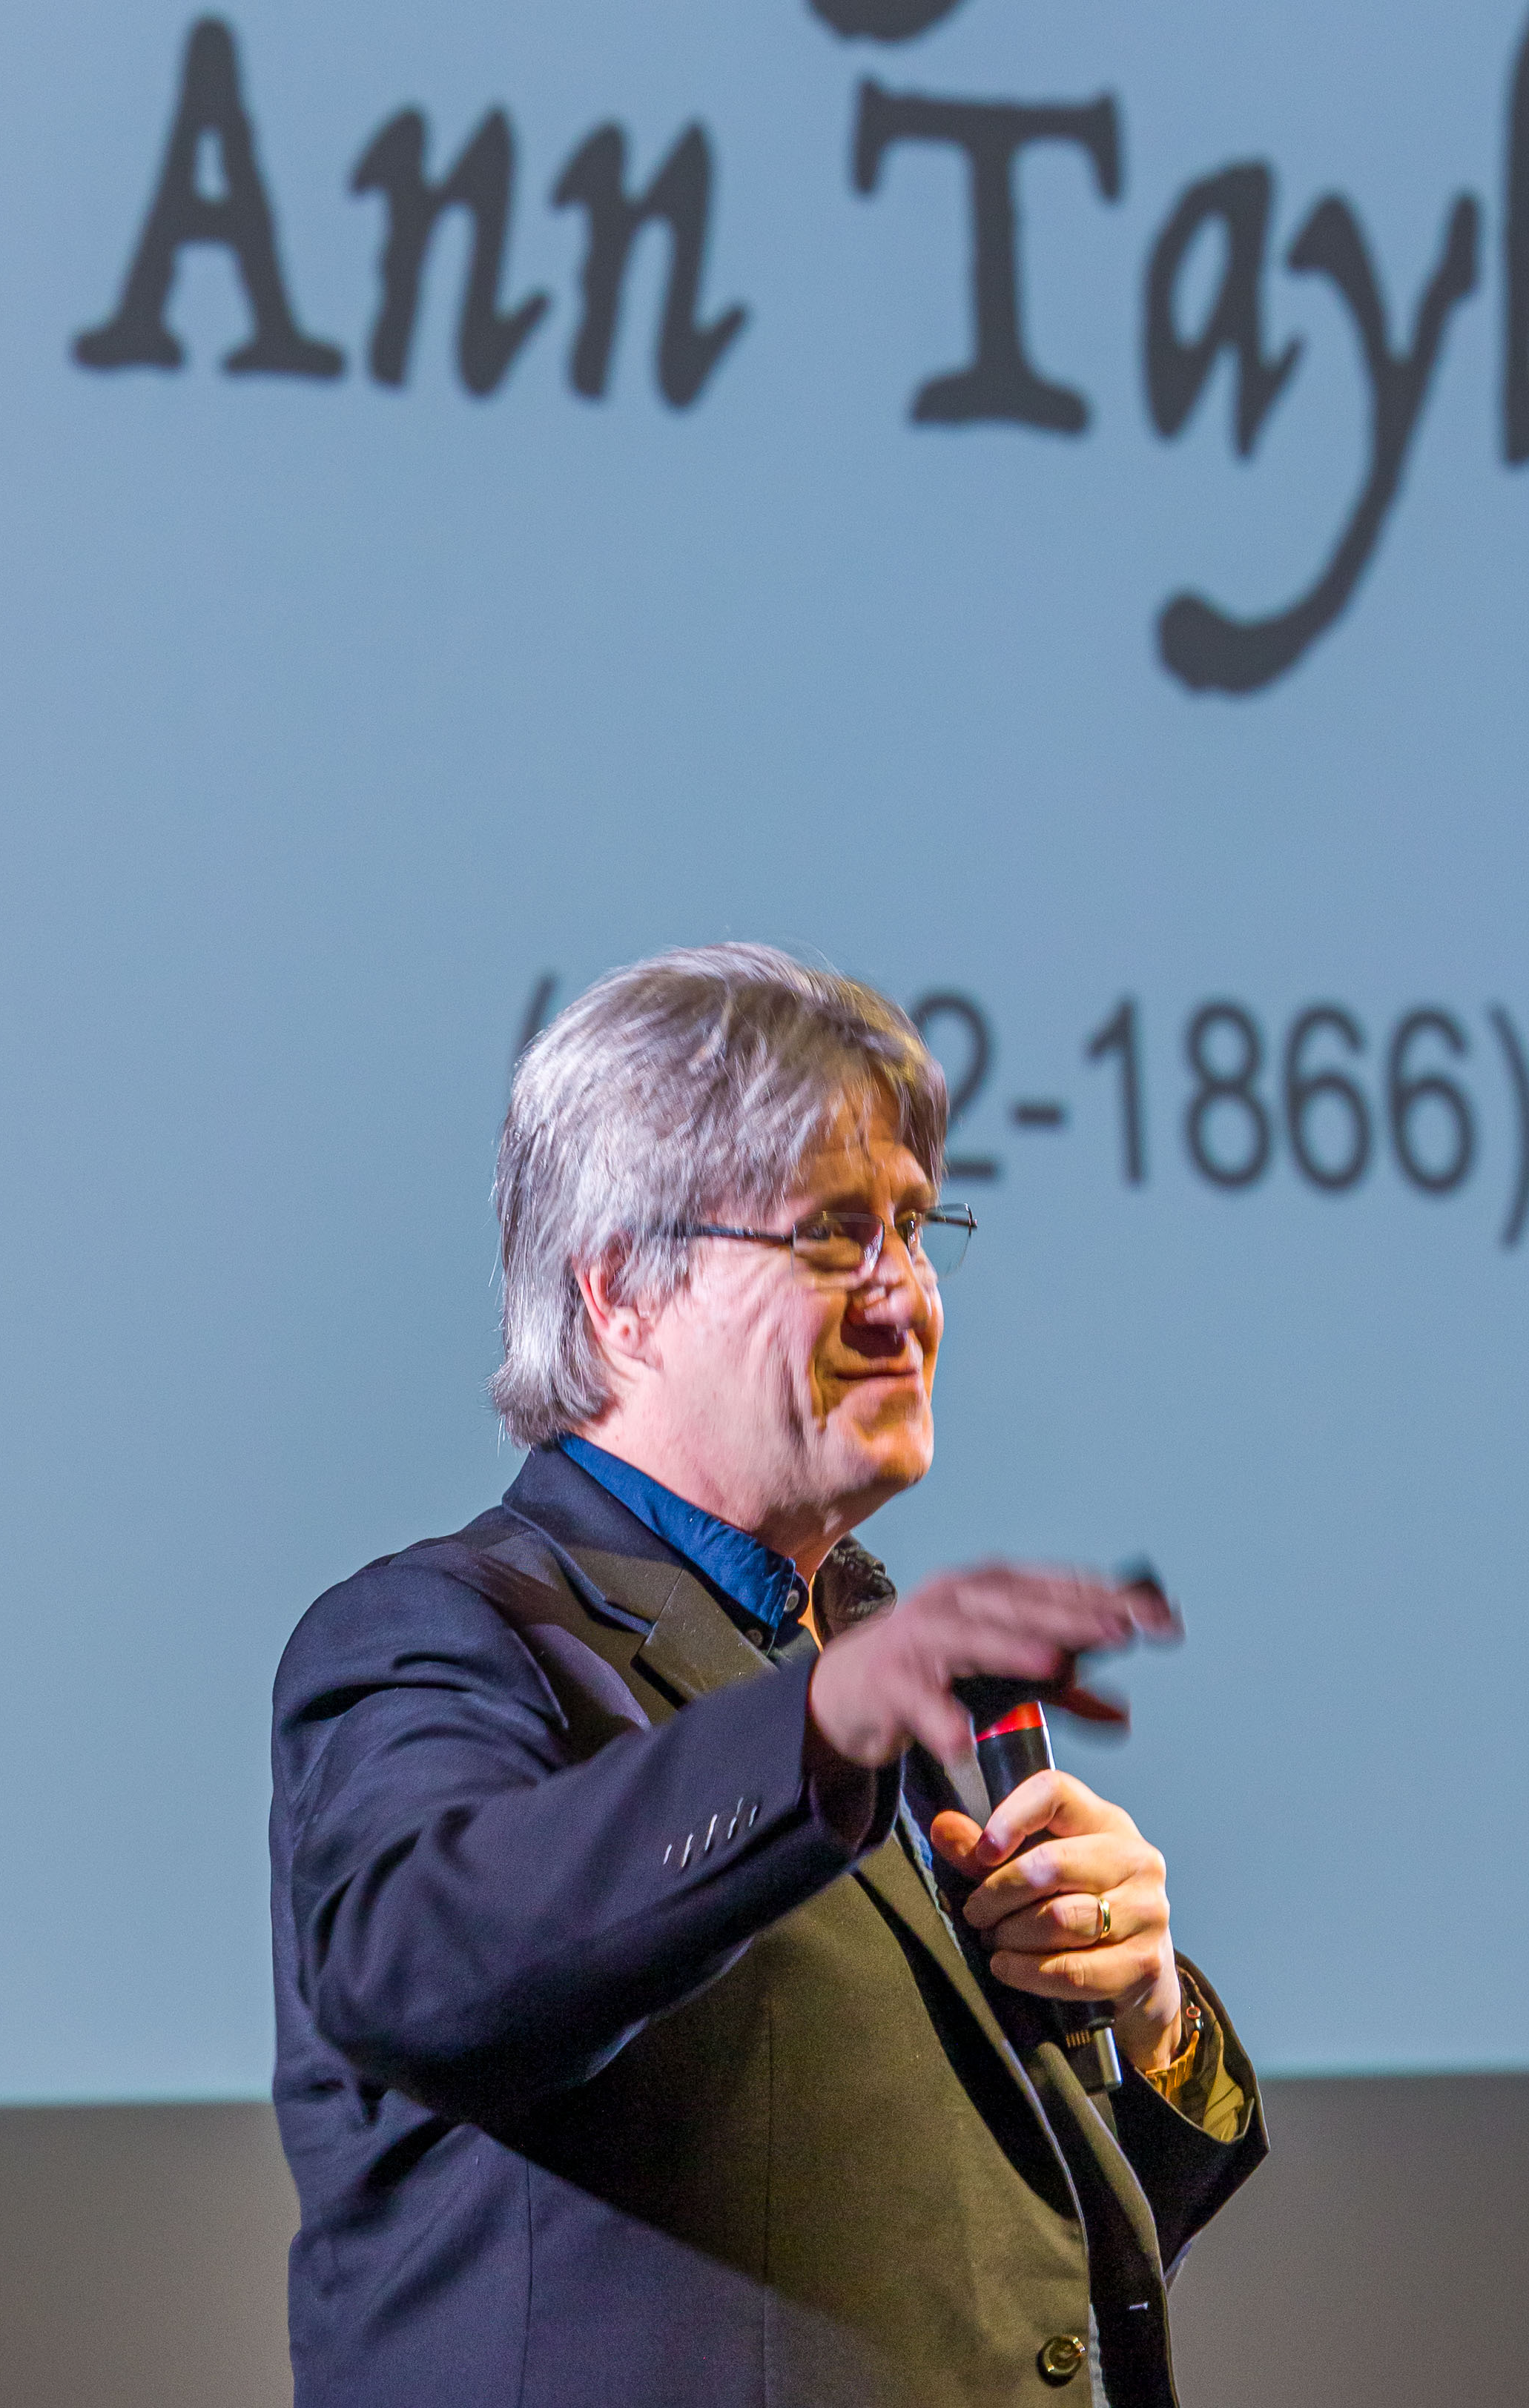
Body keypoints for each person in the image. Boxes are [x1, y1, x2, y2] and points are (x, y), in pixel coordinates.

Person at [271, 945, 1265, 2408]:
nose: (903, 1298)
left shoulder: (857, 1668)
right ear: (623, 1292)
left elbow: (991, 2270)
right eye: (828, 1236)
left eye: (913, 1226)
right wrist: (823, 1724)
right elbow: (410, 1963)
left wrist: (1148, 2019)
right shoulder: (445, 1631)